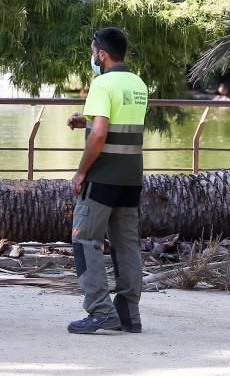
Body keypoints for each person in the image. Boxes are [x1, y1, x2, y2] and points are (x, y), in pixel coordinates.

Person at [66, 27, 148, 334]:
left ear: (102, 53)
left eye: (92, 52)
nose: (92, 58)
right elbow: (115, 122)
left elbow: (101, 134)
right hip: (131, 178)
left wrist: (81, 171)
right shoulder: (138, 83)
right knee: (127, 245)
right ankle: (129, 313)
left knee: (85, 239)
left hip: (102, 178)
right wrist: (84, 119)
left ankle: (101, 310)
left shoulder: (102, 83)